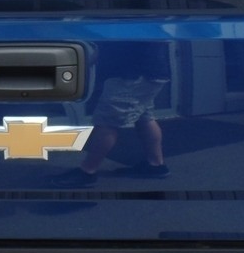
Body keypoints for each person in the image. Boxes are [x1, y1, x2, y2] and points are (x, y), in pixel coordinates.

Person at [51, 42, 170, 188]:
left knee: (108, 122)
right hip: (150, 72)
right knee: (144, 117)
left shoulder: (128, 20)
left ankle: (87, 171)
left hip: (131, 75)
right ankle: (156, 165)